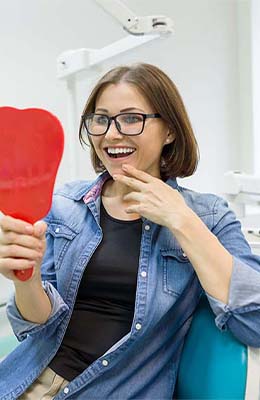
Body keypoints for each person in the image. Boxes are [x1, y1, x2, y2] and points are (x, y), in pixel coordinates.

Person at [0, 63, 260, 400]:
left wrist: (181, 219)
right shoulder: (64, 205)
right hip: (27, 383)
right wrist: (26, 278)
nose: (110, 134)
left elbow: (254, 321)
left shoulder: (207, 216)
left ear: (169, 130)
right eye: (100, 119)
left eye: (131, 118)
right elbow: (39, 327)